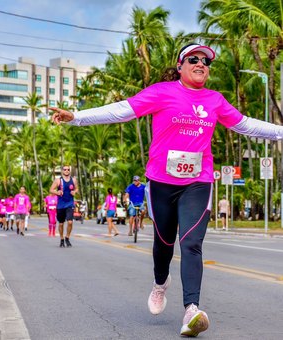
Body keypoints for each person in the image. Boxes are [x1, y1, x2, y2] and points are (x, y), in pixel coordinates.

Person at [50, 42, 283, 337]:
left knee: (191, 243)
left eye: (206, 62)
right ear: (181, 65)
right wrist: (77, 116)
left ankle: (191, 310)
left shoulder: (214, 100)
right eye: (194, 59)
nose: (201, 64)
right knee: (163, 243)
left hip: (197, 182)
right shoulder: (162, 92)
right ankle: (160, 283)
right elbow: (122, 111)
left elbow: (246, 125)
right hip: (161, 182)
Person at [50, 165, 78, 247]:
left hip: (70, 203)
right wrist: (57, 192)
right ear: (62, 171)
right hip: (61, 205)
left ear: (70, 171)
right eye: (65, 169)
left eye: (68, 169)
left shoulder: (73, 180)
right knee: (61, 224)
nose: (66, 171)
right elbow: (51, 189)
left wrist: (75, 192)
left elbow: (76, 188)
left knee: (70, 222)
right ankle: (62, 238)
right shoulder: (58, 180)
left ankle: (67, 237)